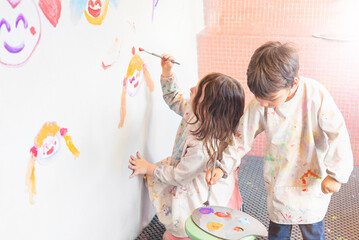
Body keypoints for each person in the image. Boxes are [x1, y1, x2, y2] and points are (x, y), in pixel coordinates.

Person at [206, 41, 353, 240]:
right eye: (258, 97)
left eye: (271, 99)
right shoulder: (261, 102)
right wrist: (222, 167)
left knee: (312, 230)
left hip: (311, 181)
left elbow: (338, 133)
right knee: (278, 230)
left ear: (293, 83)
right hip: (280, 180)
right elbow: (241, 138)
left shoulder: (315, 95)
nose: (264, 104)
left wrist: (336, 174)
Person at [128, 54, 245, 239]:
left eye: (197, 92)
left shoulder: (203, 148)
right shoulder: (194, 109)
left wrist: (149, 168)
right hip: (185, 168)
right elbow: (174, 98)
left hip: (192, 185)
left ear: (206, 109)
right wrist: (168, 73)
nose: (191, 89)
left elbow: (179, 176)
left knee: (187, 224)